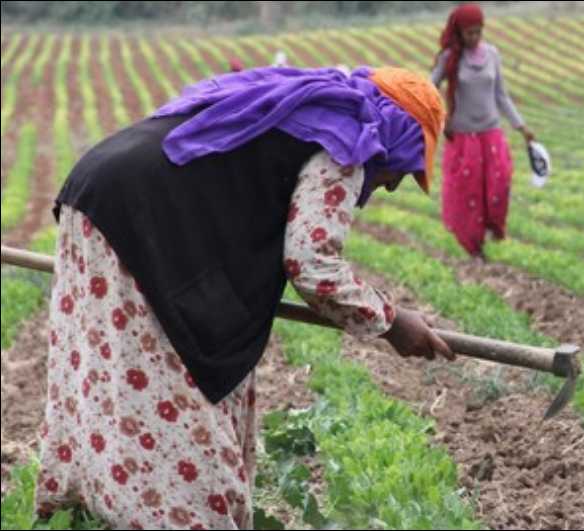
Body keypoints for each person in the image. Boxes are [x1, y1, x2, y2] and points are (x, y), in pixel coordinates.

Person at [35, 66, 453, 529]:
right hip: (135, 219)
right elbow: (313, 266)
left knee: (111, 383)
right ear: (395, 138)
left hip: (102, 195)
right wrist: (391, 322)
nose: (394, 184)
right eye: (406, 167)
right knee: (171, 409)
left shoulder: (309, 111)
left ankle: (91, 511)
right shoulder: (348, 140)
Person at [431, 3, 533, 259]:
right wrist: (439, 118)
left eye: (478, 32)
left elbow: (501, 95)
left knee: (499, 185)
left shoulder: (492, 55)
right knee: (468, 194)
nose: (474, 38)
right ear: (459, 33)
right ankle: (473, 245)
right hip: (464, 138)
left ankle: (491, 229)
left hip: (491, 134)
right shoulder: (449, 59)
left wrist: (521, 126)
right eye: (469, 33)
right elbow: (430, 89)